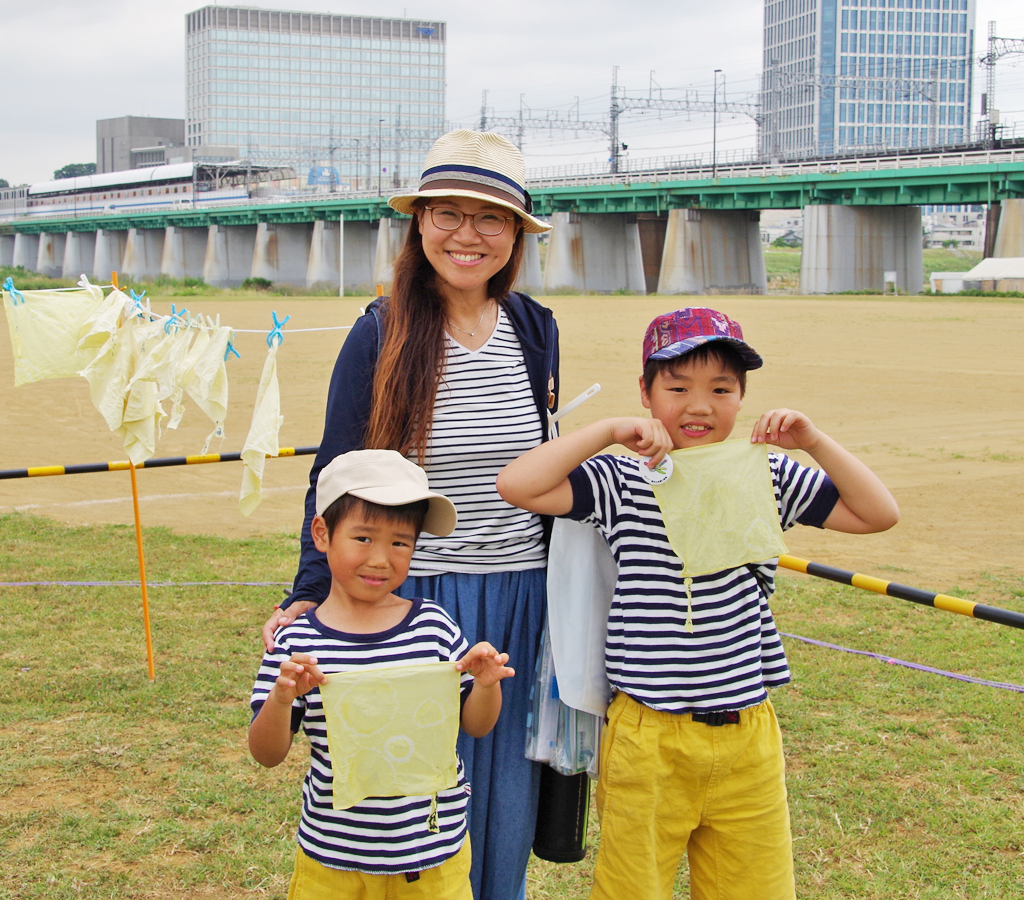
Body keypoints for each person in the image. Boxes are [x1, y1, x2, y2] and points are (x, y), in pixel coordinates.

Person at [496, 307, 900, 900]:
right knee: (635, 887)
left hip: (747, 733)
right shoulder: (621, 478)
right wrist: (608, 431)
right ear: (646, 392)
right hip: (647, 734)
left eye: (721, 389)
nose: (699, 406)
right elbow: (518, 485)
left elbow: (878, 513)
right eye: (677, 388)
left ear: (742, 397)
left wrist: (812, 441)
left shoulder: (768, 474)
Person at [261, 129, 558, 900]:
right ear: (419, 222)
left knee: (505, 795)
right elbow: (336, 467)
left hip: (523, 594)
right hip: (419, 596)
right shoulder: (380, 330)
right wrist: (308, 585)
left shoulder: (535, 329)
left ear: (517, 235)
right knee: (411, 796)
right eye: (448, 214)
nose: (468, 235)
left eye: (491, 219)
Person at [248, 449, 515, 900]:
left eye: (400, 542)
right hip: (332, 863)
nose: (380, 559)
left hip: (435, 860)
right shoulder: (296, 644)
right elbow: (267, 753)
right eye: (364, 538)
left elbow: (475, 723)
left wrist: (486, 686)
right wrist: (280, 699)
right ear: (322, 534)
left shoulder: (434, 626)